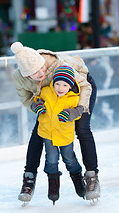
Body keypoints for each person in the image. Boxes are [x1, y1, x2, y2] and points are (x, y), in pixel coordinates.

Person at [10, 42, 100, 203]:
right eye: (36, 73)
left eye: (42, 68)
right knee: (39, 133)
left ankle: (92, 177)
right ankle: (29, 179)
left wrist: (78, 110)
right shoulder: (19, 78)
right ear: (26, 74)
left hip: (79, 88)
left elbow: (85, 86)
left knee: (82, 129)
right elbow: (25, 98)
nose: (42, 73)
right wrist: (34, 105)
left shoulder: (56, 64)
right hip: (51, 98)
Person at [32, 65, 86, 204]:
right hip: (47, 133)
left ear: (70, 85)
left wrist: (69, 114)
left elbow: (79, 111)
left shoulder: (73, 98)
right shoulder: (45, 92)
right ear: (53, 83)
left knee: (69, 159)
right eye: (57, 84)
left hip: (64, 135)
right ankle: (53, 186)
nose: (60, 88)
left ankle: (78, 180)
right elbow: (35, 102)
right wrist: (37, 106)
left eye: (64, 85)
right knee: (51, 159)